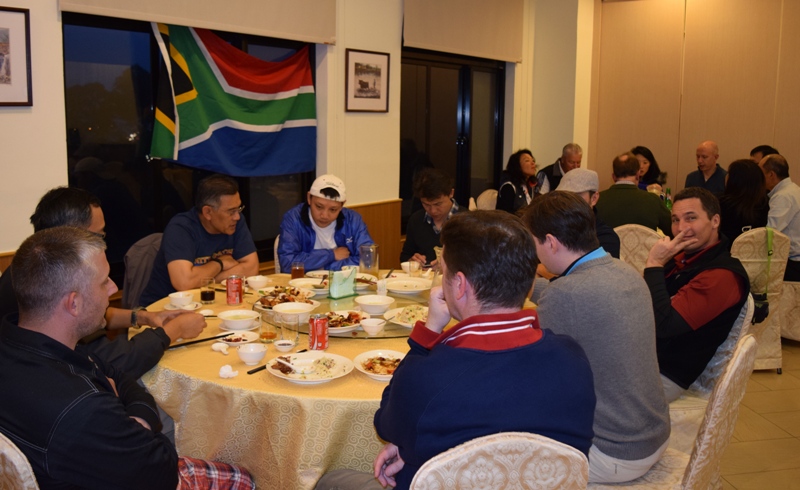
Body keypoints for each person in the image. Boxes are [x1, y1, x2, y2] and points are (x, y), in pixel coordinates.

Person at [316, 211, 596, 490]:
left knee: (328, 481)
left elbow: (387, 423)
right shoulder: (573, 358)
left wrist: (428, 333)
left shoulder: (430, 375)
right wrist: (412, 450)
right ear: (530, 283)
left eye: (443, 272)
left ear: (459, 285)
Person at [0, 227, 254, 489]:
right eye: (104, 282)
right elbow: (164, 469)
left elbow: (118, 375)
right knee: (246, 479)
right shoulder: (83, 408)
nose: (114, 288)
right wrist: (134, 417)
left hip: (87, 465)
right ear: (73, 303)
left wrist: (133, 418)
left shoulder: (31, 345)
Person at [523, 192, 669, 484]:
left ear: (550, 242)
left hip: (614, 453)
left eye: (533, 244)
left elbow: (535, 371)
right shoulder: (626, 272)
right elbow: (577, 296)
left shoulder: (566, 294)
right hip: (654, 435)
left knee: (507, 434)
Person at [0, 186, 205, 378]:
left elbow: (94, 314)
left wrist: (143, 317)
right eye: (98, 236)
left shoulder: (26, 268)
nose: (104, 243)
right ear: (69, 234)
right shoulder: (58, 283)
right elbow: (113, 362)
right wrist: (173, 331)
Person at [643, 187, 749, 402]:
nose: (681, 228)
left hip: (664, 374)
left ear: (715, 221)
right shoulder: (683, 259)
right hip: (643, 357)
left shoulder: (722, 275)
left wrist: (654, 264)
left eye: (691, 218)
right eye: (675, 220)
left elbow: (665, 326)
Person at [140, 174, 259, 306]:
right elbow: (184, 283)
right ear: (207, 212)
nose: (237, 216)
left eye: (239, 209)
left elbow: (251, 268)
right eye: (231, 211)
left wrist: (204, 279)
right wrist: (220, 263)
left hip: (209, 302)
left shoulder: (235, 222)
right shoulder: (181, 228)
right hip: (164, 307)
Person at [278, 174, 374, 272]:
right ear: (309, 198)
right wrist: (331, 255)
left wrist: (325, 267)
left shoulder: (353, 220)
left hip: (342, 280)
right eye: (319, 207)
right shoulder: (293, 219)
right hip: (303, 281)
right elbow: (287, 264)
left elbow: (368, 259)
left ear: (342, 206)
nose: (324, 215)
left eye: (333, 209)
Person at [595, 151, 672, 235]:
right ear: (638, 175)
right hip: (646, 244)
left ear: (613, 177)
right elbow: (672, 230)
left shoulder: (596, 201)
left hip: (608, 244)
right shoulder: (654, 201)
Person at [400, 168, 464, 266]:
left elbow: (477, 263)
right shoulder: (416, 220)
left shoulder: (468, 222)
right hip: (423, 275)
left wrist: (448, 267)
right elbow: (405, 256)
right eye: (426, 204)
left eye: (438, 204)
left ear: (451, 193)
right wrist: (412, 261)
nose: (433, 211)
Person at [555, 168, 620, 258]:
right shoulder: (553, 228)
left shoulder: (606, 238)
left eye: (576, 197)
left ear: (594, 198)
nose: (568, 203)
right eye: (564, 197)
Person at [759, 154, 800, 280]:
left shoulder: (783, 197)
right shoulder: (793, 189)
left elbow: (771, 232)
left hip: (792, 263)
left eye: (760, 173)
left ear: (771, 174)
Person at [718, 159, 769, 247]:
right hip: (755, 251)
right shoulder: (764, 203)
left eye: (729, 174)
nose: (726, 176)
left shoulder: (723, 204)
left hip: (726, 252)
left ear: (735, 180)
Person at [495, 149, 538, 213]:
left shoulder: (530, 186)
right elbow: (505, 214)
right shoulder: (509, 186)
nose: (533, 163)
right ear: (517, 166)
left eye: (533, 161)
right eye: (527, 160)